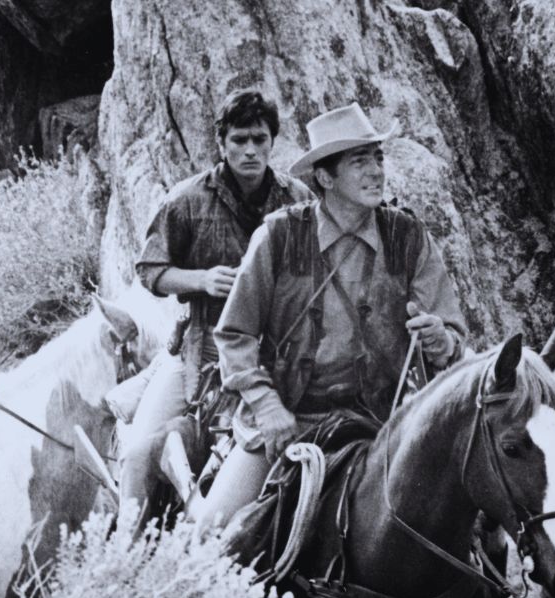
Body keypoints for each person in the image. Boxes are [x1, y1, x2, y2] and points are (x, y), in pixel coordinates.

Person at [197, 102, 467, 529]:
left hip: (383, 423)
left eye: (378, 158)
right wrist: (267, 407)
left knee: (463, 532)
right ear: (324, 177)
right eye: (360, 162)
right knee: (212, 534)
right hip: (289, 420)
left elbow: (451, 333)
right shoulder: (279, 236)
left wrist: (442, 340)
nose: (376, 171)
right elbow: (234, 335)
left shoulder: (409, 238)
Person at [120, 89, 312, 514]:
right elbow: (150, 270)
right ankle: (126, 545)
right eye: (239, 140)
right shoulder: (187, 200)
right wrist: (202, 279)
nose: (250, 150)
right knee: (138, 451)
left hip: (276, 350)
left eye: (259, 139)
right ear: (221, 144)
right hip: (201, 347)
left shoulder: (296, 197)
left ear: (272, 142)